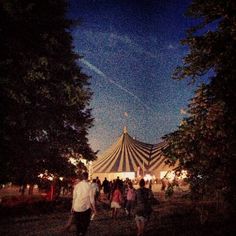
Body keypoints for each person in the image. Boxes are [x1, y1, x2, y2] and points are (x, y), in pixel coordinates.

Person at [72, 172, 97, 236]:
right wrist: (94, 209)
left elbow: (74, 197)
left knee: (78, 224)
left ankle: (78, 233)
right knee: (85, 223)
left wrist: (72, 207)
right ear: (87, 177)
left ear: (81, 177)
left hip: (76, 207)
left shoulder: (77, 186)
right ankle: (82, 233)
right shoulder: (89, 186)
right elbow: (92, 199)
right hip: (85, 208)